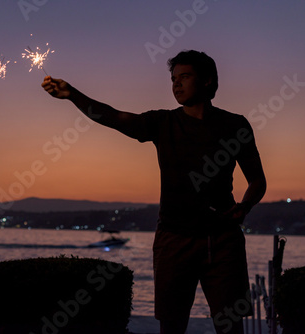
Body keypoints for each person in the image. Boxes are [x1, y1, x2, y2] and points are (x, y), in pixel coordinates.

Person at [41, 50, 266, 334]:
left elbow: (257, 181)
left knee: (230, 325)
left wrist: (244, 207)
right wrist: (72, 94)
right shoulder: (162, 123)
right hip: (174, 239)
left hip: (222, 241)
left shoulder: (235, 125)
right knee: (171, 326)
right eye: (173, 79)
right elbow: (113, 117)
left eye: (185, 77)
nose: (176, 84)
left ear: (208, 80)